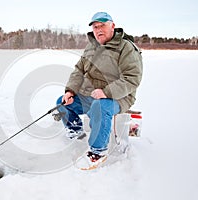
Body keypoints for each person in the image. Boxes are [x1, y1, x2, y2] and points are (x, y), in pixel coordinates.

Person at [56, 11, 143, 163]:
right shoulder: (91, 47)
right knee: (62, 103)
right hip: (91, 94)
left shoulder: (126, 48)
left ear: (113, 26)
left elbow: (132, 78)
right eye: (95, 27)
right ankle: (76, 134)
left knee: (100, 106)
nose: (98, 29)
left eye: (102, 25)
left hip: (119, 97)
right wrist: (70, 91)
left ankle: (98, 150)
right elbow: (78, 70)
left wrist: (107, 92)